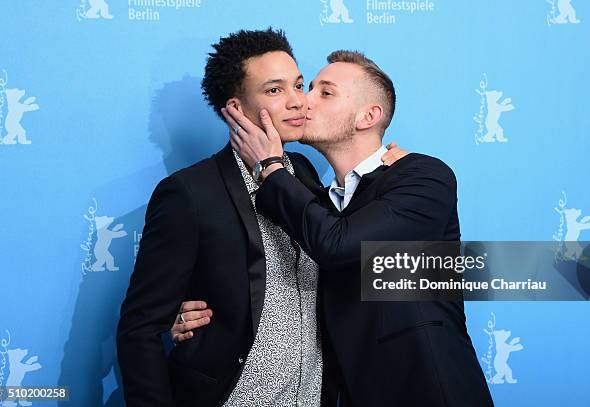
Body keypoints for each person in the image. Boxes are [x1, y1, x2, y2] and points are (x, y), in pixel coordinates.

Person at [174, 51, 494, 406]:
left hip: (429, 393)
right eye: (306, 87)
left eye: (324, 93)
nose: (302, 101)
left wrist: (270, 166)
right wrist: (195, 318)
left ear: (368, 116)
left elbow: (339, 245)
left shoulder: (422, 177)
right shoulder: (316, 198)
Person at [116, 29, 405, 407]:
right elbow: (138, 328)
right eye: (274, 90)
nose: (297, 101)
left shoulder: (302, 173)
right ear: (235, 108)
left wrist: (387, 174)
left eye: (299, 86)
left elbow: (351, 248)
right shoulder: (190, 192)